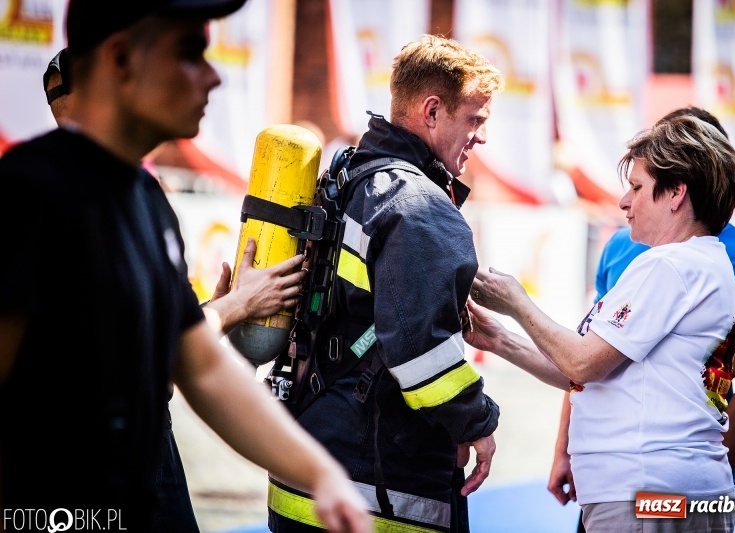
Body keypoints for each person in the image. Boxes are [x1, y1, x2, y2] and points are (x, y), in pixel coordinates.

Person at [0, 1, 372, 532]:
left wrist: (321, 473)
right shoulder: (29, 194)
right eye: (189, 53)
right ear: (121, 59)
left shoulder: (145, 200)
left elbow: (204, 367)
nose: (214, 75)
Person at [267, 34, 503, 533]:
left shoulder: (349, 179)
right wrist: (478, 422)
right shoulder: (421, 208)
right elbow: (423, 357)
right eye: (476, 119)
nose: (482, 136)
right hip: (380, 493)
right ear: (433, 111)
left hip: (305, 471)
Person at [466, 113, 735, 532]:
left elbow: (582, 364)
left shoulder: (670, 265)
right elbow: (586, 371)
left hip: (648, 488)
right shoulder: (696, 262)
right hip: (660, 487)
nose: (623, 201)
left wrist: (517, 304)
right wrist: (502, 339)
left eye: (637, 187)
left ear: (676, 194)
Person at [551, 107, 735, 532]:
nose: (626, 199)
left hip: (658, 481)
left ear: (682, 184)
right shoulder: (623, 245)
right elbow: (593, 350)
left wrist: (705, 472)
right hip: (616, 477)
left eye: (638, 184)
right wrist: (564, 451)